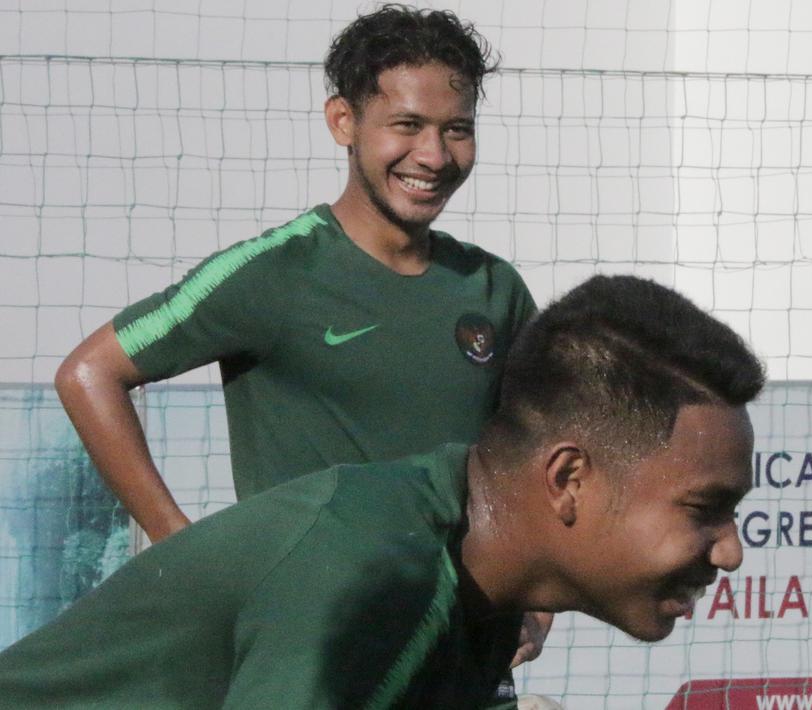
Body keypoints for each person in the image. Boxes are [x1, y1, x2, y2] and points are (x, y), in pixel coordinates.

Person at [0, 275, 766, 708]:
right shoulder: (372, 577)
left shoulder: (474, 587)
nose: (729, 552)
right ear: (568, 479)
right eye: (705, 509)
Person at [54, 4, 535, 542]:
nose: (433, 155)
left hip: (464, 623)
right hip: (312, 625)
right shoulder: (269, 273)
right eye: (407, 125)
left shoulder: (495, 289)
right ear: (343, 121)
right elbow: (89, 374)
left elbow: (549, 439)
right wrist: (182, 546)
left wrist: (540, 597)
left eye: (457, 130)